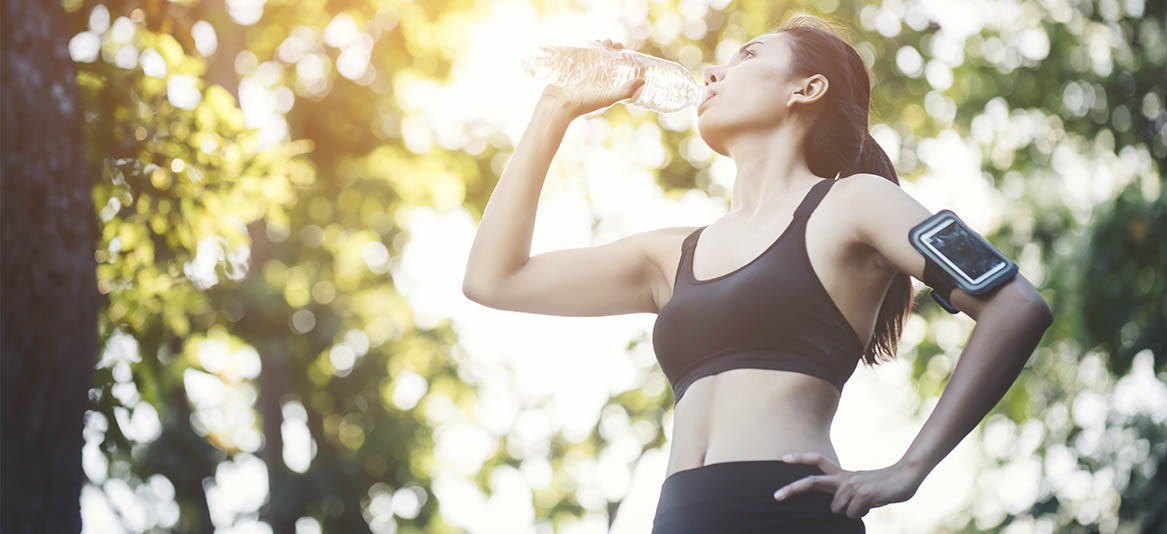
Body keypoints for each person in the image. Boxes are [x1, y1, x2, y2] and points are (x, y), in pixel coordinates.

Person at [462, 12, 1053, 533]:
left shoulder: (857, 203)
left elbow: (1016, 305)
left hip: (788, 511)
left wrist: (909, 468)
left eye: (745, 57)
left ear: (807, 88)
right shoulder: (671, 255)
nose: (714, 74)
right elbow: (495, 280)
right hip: (679, 516)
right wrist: (555, 108)